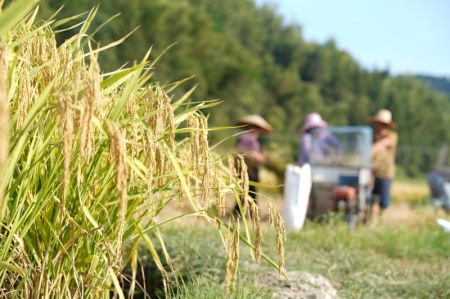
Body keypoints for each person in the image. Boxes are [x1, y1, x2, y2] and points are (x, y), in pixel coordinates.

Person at [233, 115, 272, 214]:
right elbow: (241, 151)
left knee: (250, 192)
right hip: (246, 170)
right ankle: (244, 214)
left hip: (252, 170)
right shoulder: (245, 137)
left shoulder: (253, 139)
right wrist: (256, 156)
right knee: (246, 192)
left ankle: (249, 214)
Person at [370, 109, 398, 222]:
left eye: (383, 124)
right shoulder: (372, 136)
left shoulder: (391, 136)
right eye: (378, 123)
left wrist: (369, 149)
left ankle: (381, 223)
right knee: (372, 200)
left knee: (383, 203)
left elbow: (383, 144)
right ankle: (371, 224)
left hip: (385, 174)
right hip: (372, 173)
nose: (380, 126)